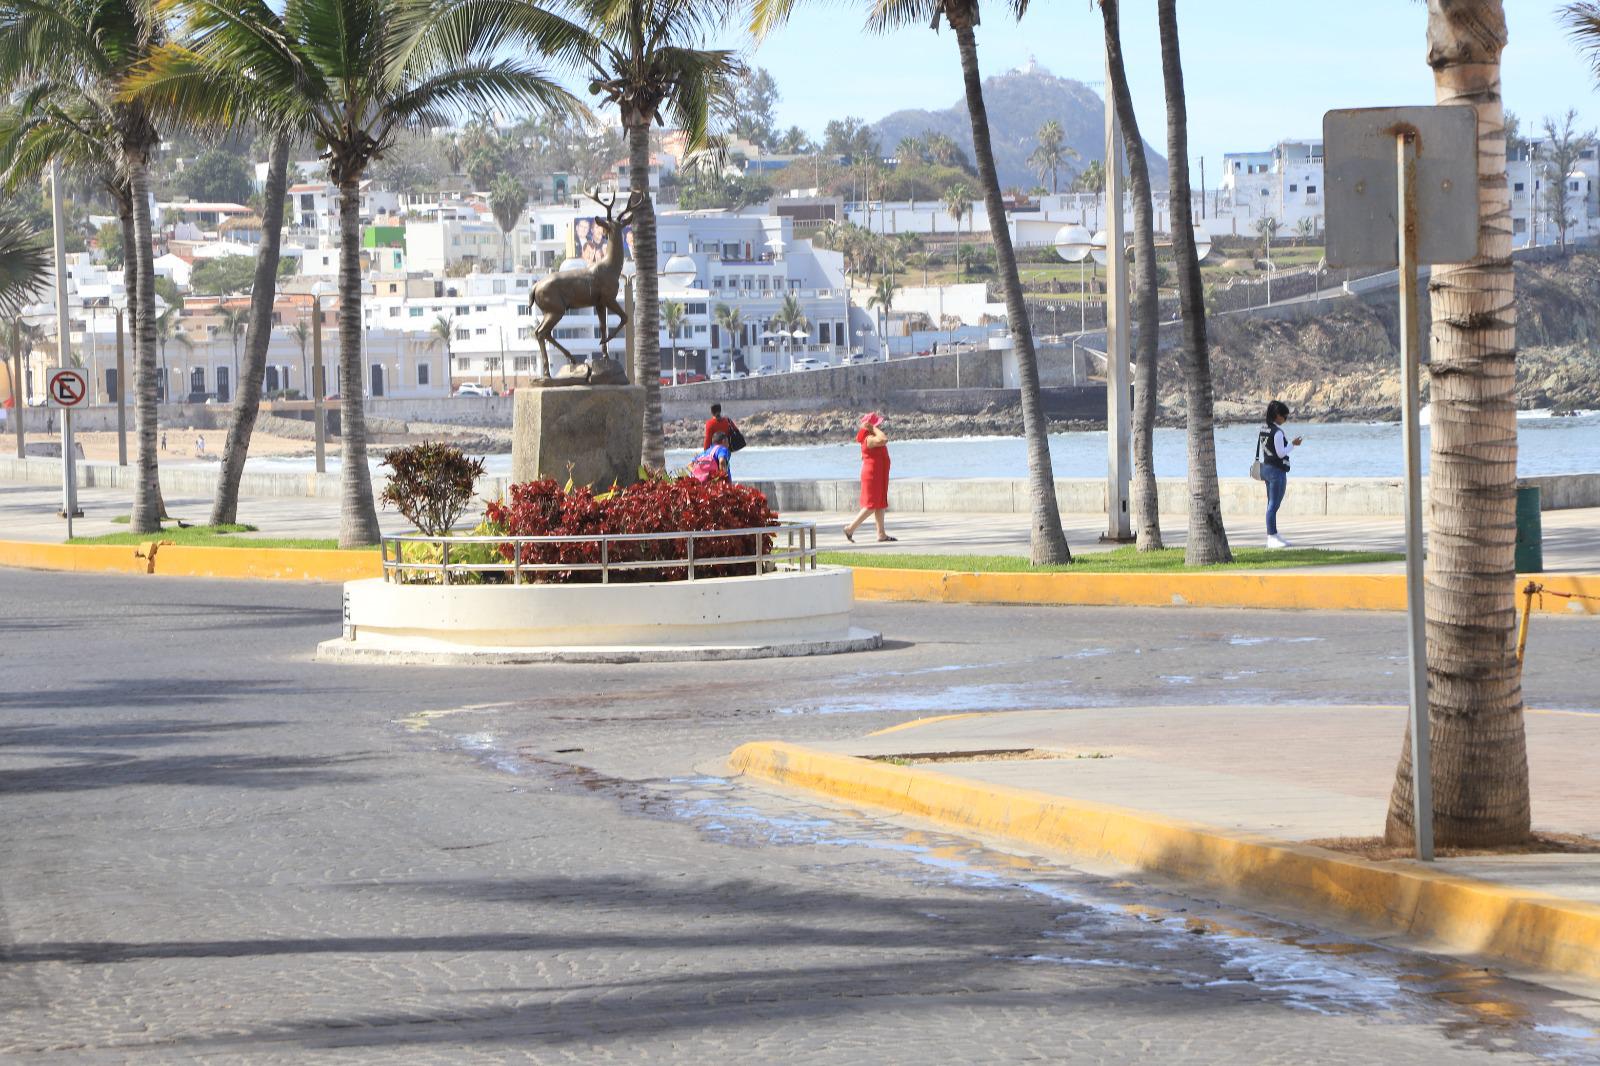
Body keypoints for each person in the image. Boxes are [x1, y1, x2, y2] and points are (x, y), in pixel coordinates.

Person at [844, 411, 895, 543]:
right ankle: (850, 528)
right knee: (871, 505)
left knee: (880, 503)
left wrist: (873, 428)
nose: (879, 427)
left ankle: (881, 534)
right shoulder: (869, 439)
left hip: (879, 474)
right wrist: (873, 428)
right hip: (873, 475)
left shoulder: (869, 439)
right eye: (877, 424)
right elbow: (884, 439)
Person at [1258, 399, 1303, 548]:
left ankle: (1274, 534)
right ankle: (1271, 536)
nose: (1285, 419)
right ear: (1277, 415)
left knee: (1271, 503)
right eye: (1285, 416)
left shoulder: (1264, 429)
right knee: (1273, 505)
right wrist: (1293, 444)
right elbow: (1281, 453)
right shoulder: (1277, 432)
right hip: (1276, 471)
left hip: (1266, 468)